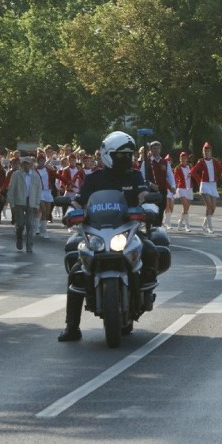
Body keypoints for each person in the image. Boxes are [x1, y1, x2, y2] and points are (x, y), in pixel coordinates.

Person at [58, 131, 160, 342]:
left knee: (150, 248)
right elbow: (79, 201)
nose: (126, 159)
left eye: (129, 155)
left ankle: (145, 284)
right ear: (107, 155)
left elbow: (142, 195)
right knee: (76, 269)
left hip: (127, 230)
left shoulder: (134, 175)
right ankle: (72, 327)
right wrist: (70, 213)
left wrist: (148, 205)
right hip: (96, 233)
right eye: (121, 155)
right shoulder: (94, 178)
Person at [190, 142, 222, 234]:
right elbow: (193, 171)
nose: (207, 153)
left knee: (213, 208)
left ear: (211, 152)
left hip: (213, 185)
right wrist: (200, 181)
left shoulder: (215, 161)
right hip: (205, 185)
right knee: (209, 206)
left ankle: (205, 223)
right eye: (205, 151)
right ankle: (210, 227)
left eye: (208, 151)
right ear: (203, 152)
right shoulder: (201, 162)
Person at [6, 155, 41, 252]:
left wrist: (37, 205)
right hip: (19, 202)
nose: (26, 166)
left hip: (31, 202)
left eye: (28, 164)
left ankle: (29, 246)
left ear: (31, 165)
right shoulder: (16, 175)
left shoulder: (35, 176)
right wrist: (12, 204)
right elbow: (11, 190)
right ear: (21, 165)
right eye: (24, 164)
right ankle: (19, 238)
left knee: (30, 224)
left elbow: (38, 191)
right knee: (20, 224)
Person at [142, 140, 175, 227]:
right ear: (150, 150)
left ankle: (158, 229)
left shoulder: (165, 162)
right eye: (154, 148)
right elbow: (141, 178)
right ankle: (149, 229)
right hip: (150, 192)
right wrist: (150, 184)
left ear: (160, 149)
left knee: (161, 210)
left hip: (162, 190)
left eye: (157, 148)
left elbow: (170, 176)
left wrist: (173, 186)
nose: (156, 150)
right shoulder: (146, 162)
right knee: (151, 211)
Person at [173, 151, 194, 231]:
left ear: (187, 159)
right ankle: (187, 226)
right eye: (182, 158)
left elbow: (194, 173)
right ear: (180, 159)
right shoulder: (177, 168)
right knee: (185, 206)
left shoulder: (190, 166)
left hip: (189, 188)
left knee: (186, 208)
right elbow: (175, 178)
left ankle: (180, 223)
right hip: (181, 188)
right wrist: (174, 187)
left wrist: (191, 174)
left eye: (185, 158)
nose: (183, 160)